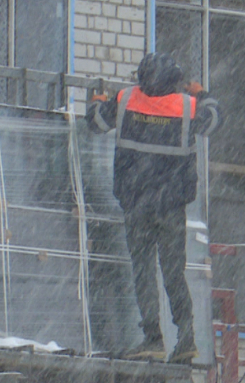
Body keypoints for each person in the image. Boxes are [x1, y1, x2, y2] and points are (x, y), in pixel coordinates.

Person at [88, 52, 221, 363]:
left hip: (136, 203)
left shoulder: (124, 100)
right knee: (174, 271)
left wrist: (97, 99)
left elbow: (94, 122)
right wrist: (203, 94)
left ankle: (152, 338)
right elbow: (215, 119)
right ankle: (186, 339)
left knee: (143, 271)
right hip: (171, 207)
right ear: (176, 82)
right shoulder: (187, 107)